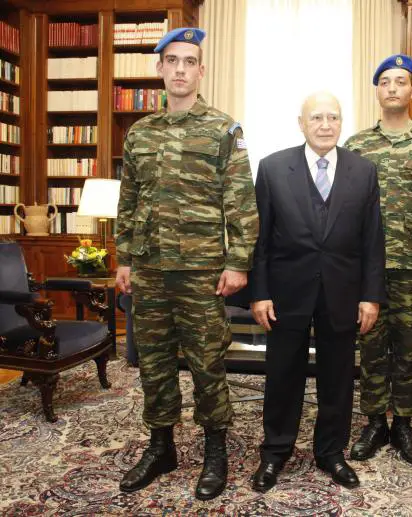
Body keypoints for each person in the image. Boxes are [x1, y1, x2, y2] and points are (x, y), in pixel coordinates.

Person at [114, 27, 259, 501]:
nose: (180, 69)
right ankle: (161, 447)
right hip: (150, 268)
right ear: (160, 69)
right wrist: (124, 258)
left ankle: (215, 449)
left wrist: (238, 262)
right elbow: (129, 199)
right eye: (172, 61)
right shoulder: (140, 133)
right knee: (153, 362)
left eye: (189, 61)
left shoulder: (223, 129)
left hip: (200, 271)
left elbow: (241, 202)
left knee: (207, 362)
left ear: (201, 70)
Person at [249, 91, 386, 492]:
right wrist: (259, 292)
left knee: (338, 378)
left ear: (342, 122)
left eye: (333, 117)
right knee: (282, 376)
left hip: (343, 293)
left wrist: (370, 296)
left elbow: (373, 240)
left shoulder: (364, 171)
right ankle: (275, 452)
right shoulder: (273, 168)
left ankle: (331, 452)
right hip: (285, 293)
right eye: (317, 118)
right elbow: (260, 240)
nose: (326, 125)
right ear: (301, 123)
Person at [344, 54, 412, 465]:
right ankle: (374, 423)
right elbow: (344, 212)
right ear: (377, 90)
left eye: (400, 81)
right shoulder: (356, 146)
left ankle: (404, 424)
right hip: (366, 270)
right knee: (370, 349)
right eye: (385, 81)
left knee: (409, 352)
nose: (392, 87)